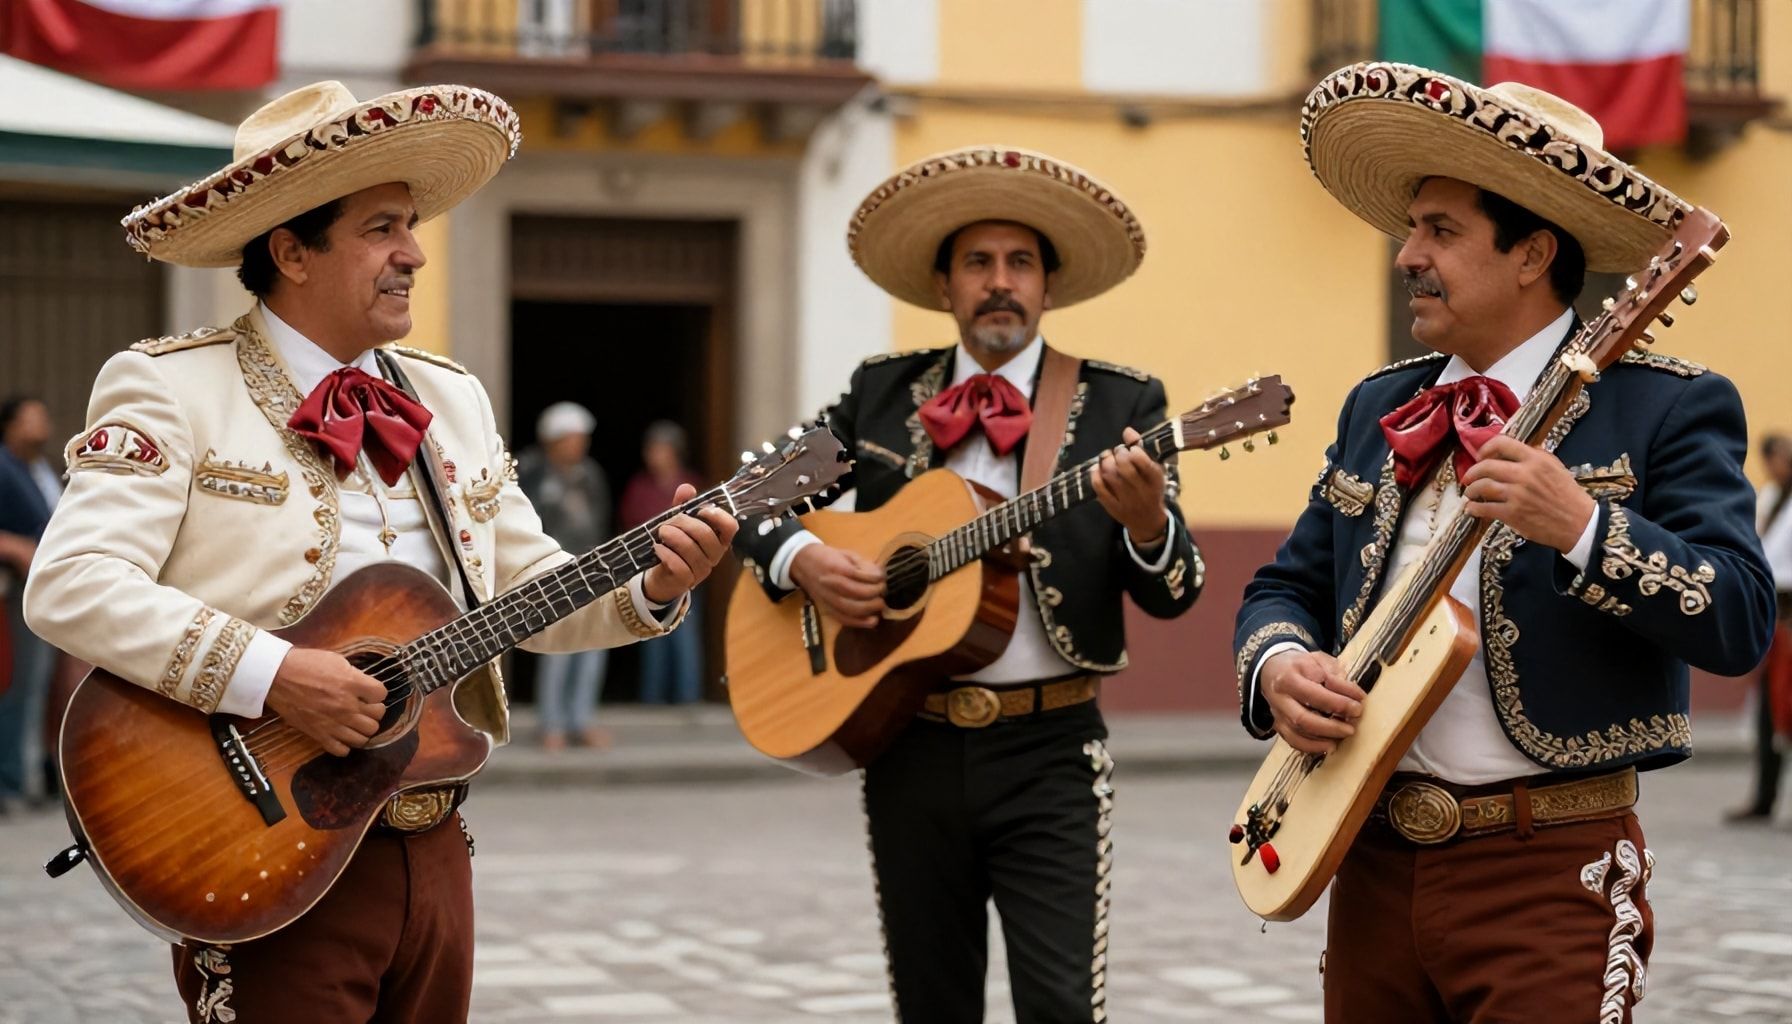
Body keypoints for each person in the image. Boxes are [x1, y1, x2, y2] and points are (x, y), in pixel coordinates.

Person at [22, 80, 735, 1023]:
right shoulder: (171, 389)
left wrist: (647, 583)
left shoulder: (454, 400)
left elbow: (527, 589)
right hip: (257, 843)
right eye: (381, 228)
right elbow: (69, 586)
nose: (415, 253)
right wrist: (274, 675)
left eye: (410, 225)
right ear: (290, 250)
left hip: (434, 840)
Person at [1235, 64, 1774, 1023]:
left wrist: (1586, 529)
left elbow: (1737, 617)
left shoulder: (1669, 405)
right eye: (1412, 229)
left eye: (1440, 230)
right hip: (1367, 865)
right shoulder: (1380, 404)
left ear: (1531, 253)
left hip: (1551, 875)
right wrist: (1278, 666)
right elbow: (1287, 583)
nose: (1406, 255)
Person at [734, 146, 1203, 1022]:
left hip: (1050, 751)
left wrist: (1145, 524)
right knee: (931, 1007)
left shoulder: (1119, 406)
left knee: (1062, 1009)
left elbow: (1176, 592)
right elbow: (750, 500)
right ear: (944, 286)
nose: (1000, 283)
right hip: (905, 741)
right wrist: (807, 562)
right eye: (978, 264)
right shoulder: (881, 395)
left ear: (1048, 287)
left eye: (1020, 263)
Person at [517, 401, 613, 749]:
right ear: (553, 440)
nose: (579, 444)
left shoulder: (590, 475)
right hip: (551, 571)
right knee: (557, 647)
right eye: (572, 438)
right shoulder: (532, 473)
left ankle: (581, 719)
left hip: (591, 568)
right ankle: (552, 723)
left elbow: (601, 518)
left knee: (593, 646)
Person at [0, 395, 60, 812]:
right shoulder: (4, 466)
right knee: (19, 684)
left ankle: (31, 775)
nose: (41, 424)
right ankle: (11, 782)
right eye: (30, 418)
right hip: (18, 587)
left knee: (41, 686)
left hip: (50, 584)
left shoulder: (40, 468)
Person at [1729, 432, 1792, 822]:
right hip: (1776, 615)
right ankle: (1764, 799)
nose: (1775, 467)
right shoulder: (1770, 499)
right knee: (1770, 712)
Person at [620, 420, 706, 705]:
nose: (653, 455)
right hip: (648, 572)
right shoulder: (640, 487)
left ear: (673, 452)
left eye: (659, 449)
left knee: (685, 636)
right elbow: (628, 526)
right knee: (650, 635)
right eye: (651, 449)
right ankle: (652, 700)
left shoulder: (692, 484)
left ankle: (688, 699)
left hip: (686, 570)